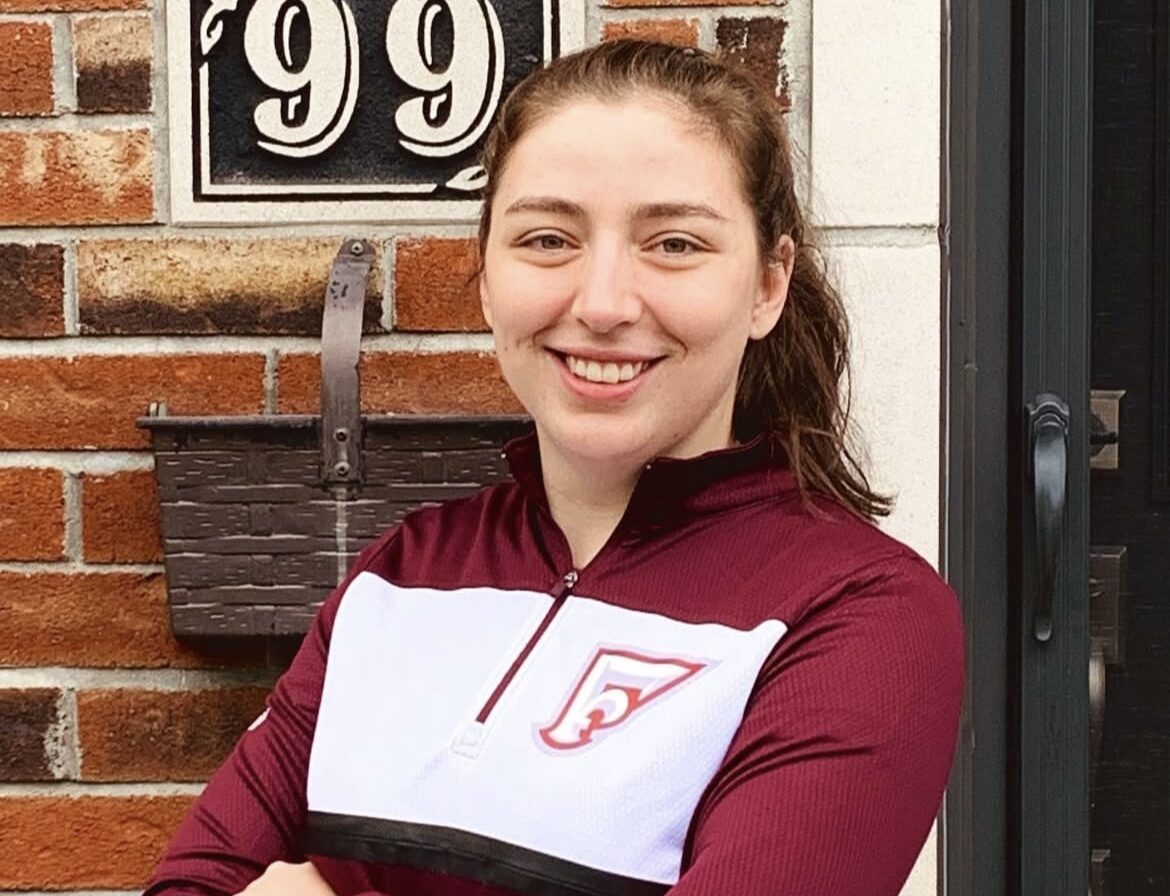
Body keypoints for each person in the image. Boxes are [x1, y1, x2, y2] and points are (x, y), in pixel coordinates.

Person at [146, 39, 964, 896]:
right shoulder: (405, 573)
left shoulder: (859, 617)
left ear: (767, 284)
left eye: (674, 243)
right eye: (547, 238)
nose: (603, 303)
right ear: (488, 277)